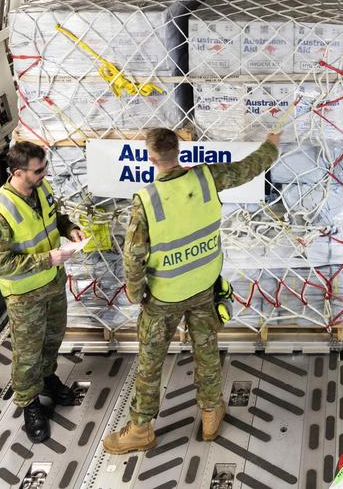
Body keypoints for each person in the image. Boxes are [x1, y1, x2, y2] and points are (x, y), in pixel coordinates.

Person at [103, 128, 280, 455]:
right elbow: (250, 166)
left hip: (164, 294)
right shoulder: (207, 178)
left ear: (151, 158)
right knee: (206, 347)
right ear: (179, 150)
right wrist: (271, 143)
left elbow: (133, 255)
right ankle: (211, 414)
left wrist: (135, 292)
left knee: (151, 360)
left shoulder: (147, 200)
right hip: (203, 285)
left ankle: (140, 429)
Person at [0, 141, 86, 444]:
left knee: (53, 337)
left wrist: (69, 229)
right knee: (27, 354)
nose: (44, 174)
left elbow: (56, 218)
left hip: (51, 284)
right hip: (24, 296)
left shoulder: (41, 189)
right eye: (38, 171)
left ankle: (48, 379)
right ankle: (29, 404)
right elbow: (0, 265)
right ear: (18, 172)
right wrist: (47, 259)